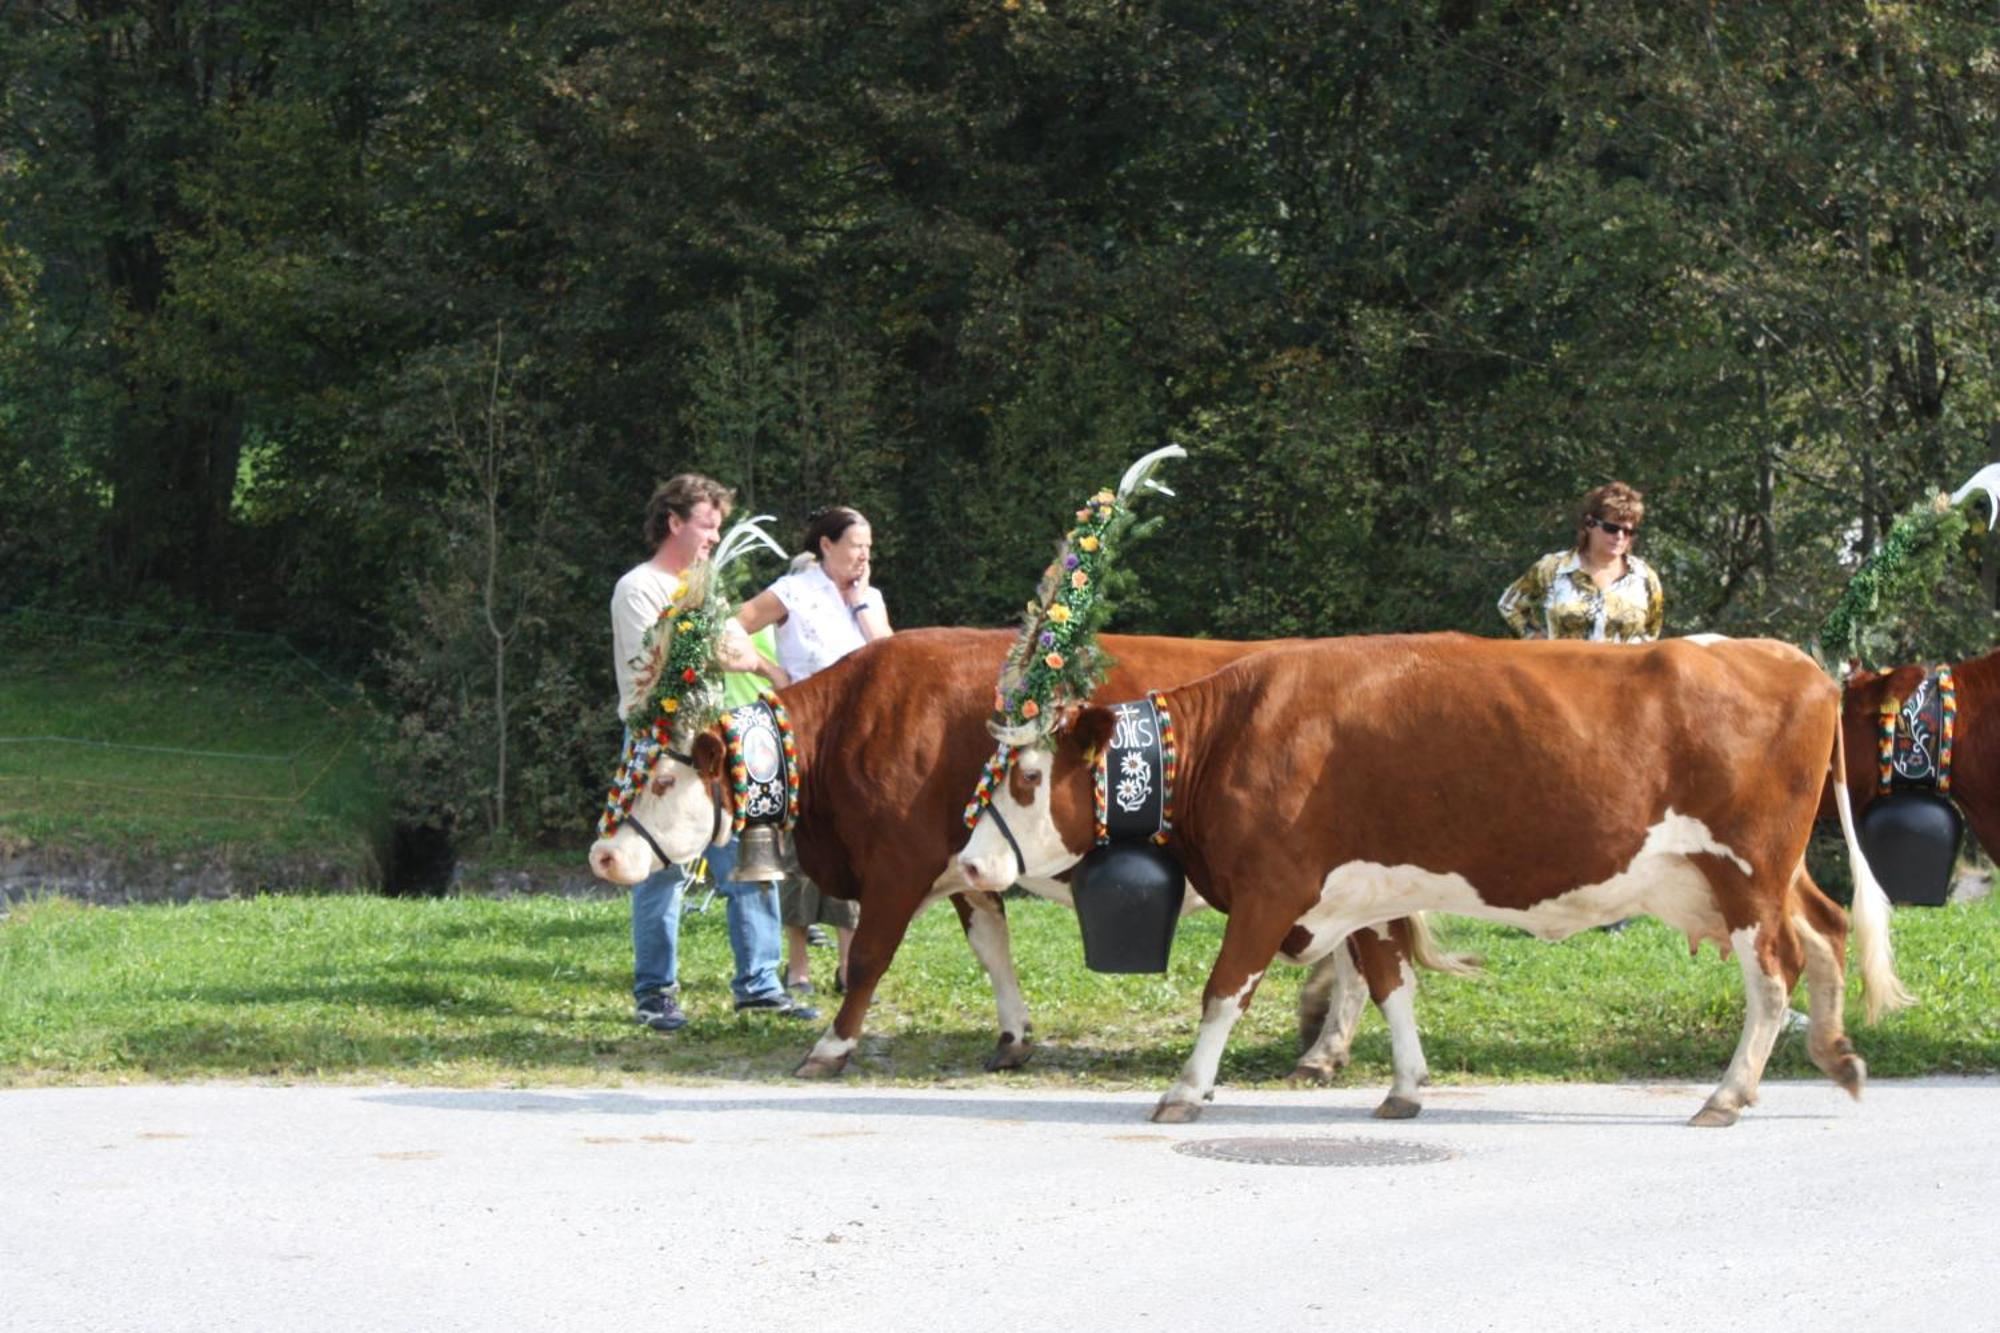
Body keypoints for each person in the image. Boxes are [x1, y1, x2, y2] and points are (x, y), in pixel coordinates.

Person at [610, 473, 802, 1033]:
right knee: (661, 870)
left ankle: (760, 986)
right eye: (707, 526)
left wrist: (766, 667)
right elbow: (664, 665)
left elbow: (735, 644)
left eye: (719, 528)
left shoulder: (704, 587)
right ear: (674, 522)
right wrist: (727, 651)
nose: (715, 538)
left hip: (719, 741)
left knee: (749, 856)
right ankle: (656, 994)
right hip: (662, 746)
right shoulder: (639, 588)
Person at [724, 505, 891, 999]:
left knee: (856, 848)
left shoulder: (871, 597)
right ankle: (797, 965)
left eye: (868, 548)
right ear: (826, 546)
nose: (863, 556)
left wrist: (860, 606)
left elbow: (892, 656)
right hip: (804, 734)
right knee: (798, 849)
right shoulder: (792, 591)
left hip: (862, 739)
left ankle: (849, 963)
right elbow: (732, 626)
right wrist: (766, 670)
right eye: (855, 546)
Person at [1497, 480, 1663, 644]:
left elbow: (1652, 631)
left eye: (1628, 531)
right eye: (1611, 528)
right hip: (1563, 668)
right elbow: (1509, 604)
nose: (1620, 536)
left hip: (1625, 670)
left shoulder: (1645, 577)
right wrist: (1535, 639)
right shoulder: (1553, 568)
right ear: (1590, 524)